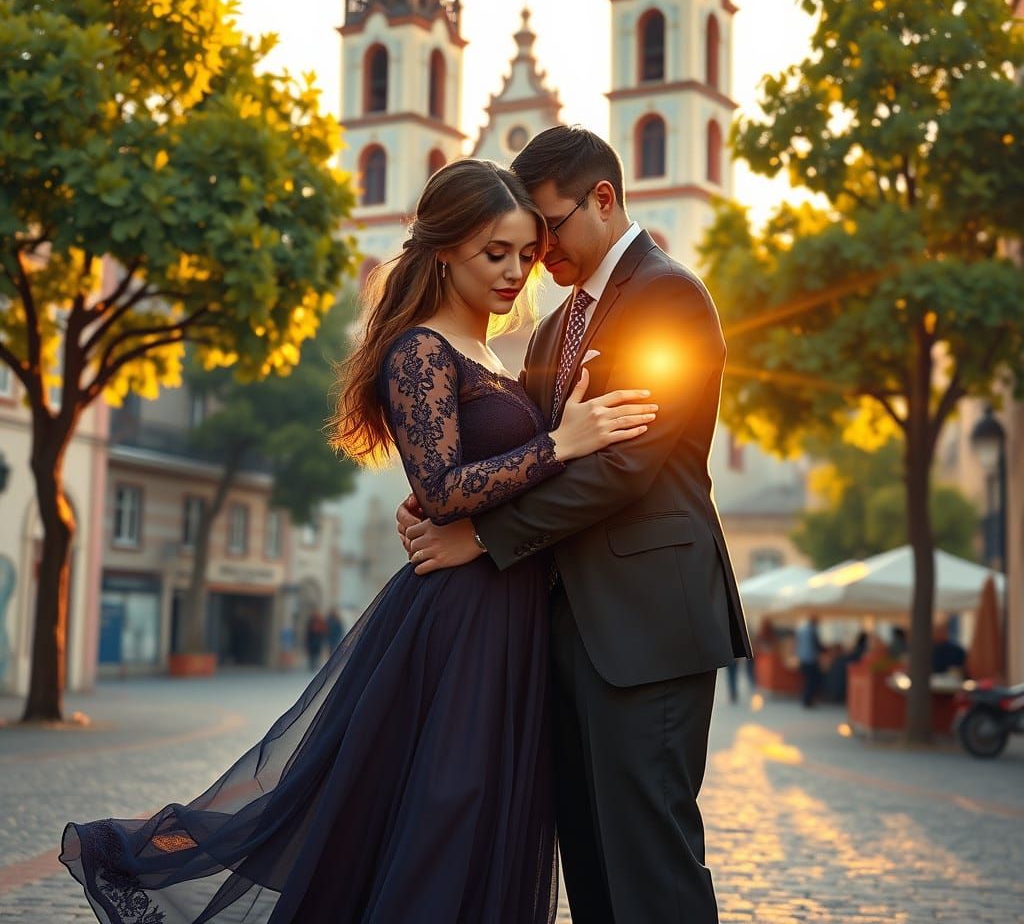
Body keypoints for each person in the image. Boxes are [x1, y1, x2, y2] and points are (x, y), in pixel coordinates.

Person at [60, 159, 656, 923]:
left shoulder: (493, 356)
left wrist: (544, 444)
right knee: (448, 816)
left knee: (486, 823)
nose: (514, 272)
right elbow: (443, 489)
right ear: (445, 252)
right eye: (493, 253)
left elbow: (467, 482)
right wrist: (558, 446)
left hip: (509, 611)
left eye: (525, 254)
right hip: (460, 619)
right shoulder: (419, 351)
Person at [398, 126, 751, 924]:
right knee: (591, 866)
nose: (535, 254)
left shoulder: (668, 294)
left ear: (603, 198)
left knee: (649, 864)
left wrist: (481, 538)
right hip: (565, 631)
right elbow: (525, 452)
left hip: (646, 624)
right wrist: (436, 497)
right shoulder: (559, 327)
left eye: (549, 227)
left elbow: (624, 466)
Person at [795, 615, 824, 708]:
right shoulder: (812, 631)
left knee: (808, 680)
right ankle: (808, 700)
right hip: (810, 658)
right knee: (812, 680)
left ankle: (807, 699)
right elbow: (817, 645)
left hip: (802, 658)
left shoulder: (802, 630)